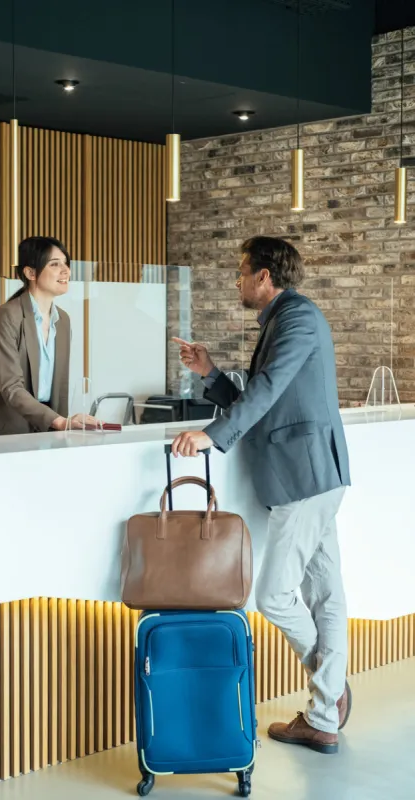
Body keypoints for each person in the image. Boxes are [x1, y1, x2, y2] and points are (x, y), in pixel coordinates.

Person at [171, 235, 351, 755]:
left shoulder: (297, 318)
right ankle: (324, 713)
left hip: (306, 476)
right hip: (309, 477)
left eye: (241, 271)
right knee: (326, 596)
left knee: (273, 596)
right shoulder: (280, 319)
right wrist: (209, 374)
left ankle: (329, 694)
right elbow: (261, 398)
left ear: (265, 277)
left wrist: (214, 434)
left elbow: (268, 388)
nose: (237, 280)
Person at [0, 235, 97, 436]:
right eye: (54, 264)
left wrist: (63, 428)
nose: (66, 270)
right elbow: (11, 387)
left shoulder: (63, 320)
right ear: (30, 272)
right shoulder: (7, 316)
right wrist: (59, 422)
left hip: (41, 429)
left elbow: (60, 386)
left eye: (66, 263)